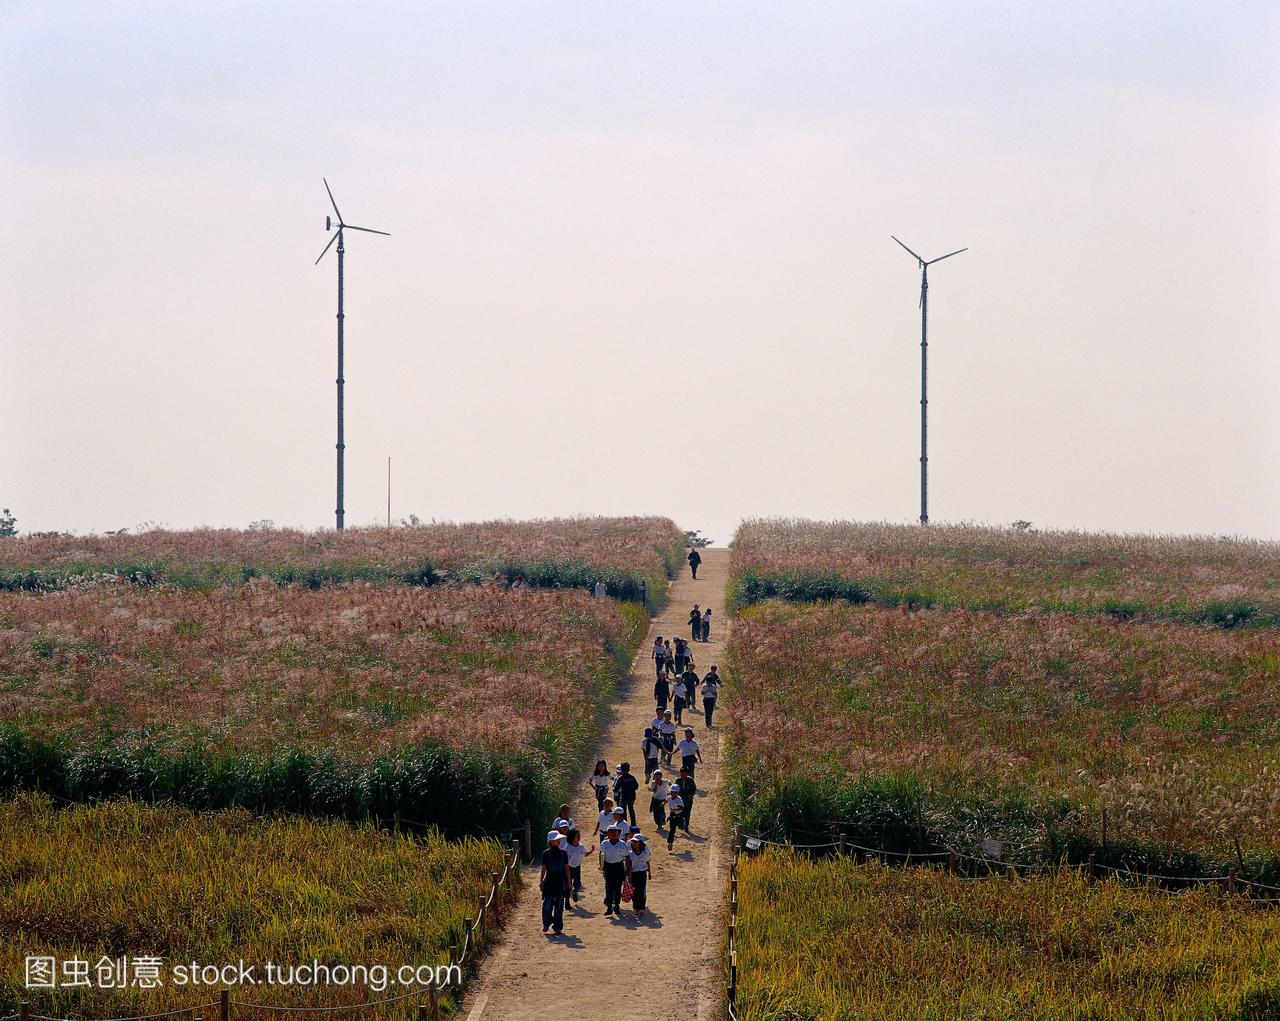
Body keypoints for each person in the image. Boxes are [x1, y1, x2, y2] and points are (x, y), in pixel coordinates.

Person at [540, 830, 571, 934]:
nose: (559, 841)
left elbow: (566, 868)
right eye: (556, 839)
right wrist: (541, 881)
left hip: (560, 881)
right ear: (551, 841)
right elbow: (544, 868)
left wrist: (569, 881)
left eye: (559, 839)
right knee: (547, 904)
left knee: (559, 905)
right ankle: (546, 923)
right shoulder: (546, 854)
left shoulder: (563, 853)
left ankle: (558, 926)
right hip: (549, 881)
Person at [599, 824, 629, 916]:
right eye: (611, 832)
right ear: (608, 833)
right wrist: (601, 866)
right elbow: (601, 855)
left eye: (615, 832)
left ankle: (616, 906)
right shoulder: (604, 843)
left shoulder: (622, 844)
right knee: (608, 887)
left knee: (617, 888)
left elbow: (627, 857)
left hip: (619, 867)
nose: (613, 834)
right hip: (608, 867)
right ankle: (609, 907)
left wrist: (627, 870)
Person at [564, 828, 593, 906]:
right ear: (572, 837)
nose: (579, 837)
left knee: (578, 883)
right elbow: (564, 858)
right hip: (568, 868)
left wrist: (592, 850)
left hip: (577, 867)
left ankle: (574, 892)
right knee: (568, 884)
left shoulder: (581, 846)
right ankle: (567, 900)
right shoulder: (567, 847)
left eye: (579, 835)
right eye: (577, 836)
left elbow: (586, 854)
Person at [625, 834, 652, 917]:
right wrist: (628, 875)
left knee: (641, 891)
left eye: (635, 842)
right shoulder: (631, 854)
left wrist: (649, 873)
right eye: (633, 842)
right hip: (634, 874)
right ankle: (635, 908)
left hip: (642, 874)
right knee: (635, 891)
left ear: (640, 843)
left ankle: (641, 908)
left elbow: (648, 863)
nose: (633, 843)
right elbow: (629, 865)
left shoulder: (645, 853)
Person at [613, 762, 639, 826]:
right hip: (632, 796)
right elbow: (636, 786)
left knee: (623, 811)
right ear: (629, 769)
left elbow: (616, 789)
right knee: (631, 810)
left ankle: (625, 824)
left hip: (624, 797)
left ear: (621, 769)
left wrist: (614, 791)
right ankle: (633, 824)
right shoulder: (632, 777)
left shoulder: (621, 778)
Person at [674, 767, 697, 831]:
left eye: (684, 774)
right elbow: (674, 789)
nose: (682, 776)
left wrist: (691, 794)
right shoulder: (678, 780)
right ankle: (680, 824)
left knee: (687, 813)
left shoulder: (690, 780)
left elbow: (694, 789)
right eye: (681, 774)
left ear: (687, 774)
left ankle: (686, 825)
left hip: (688, 800)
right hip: (679, 800)